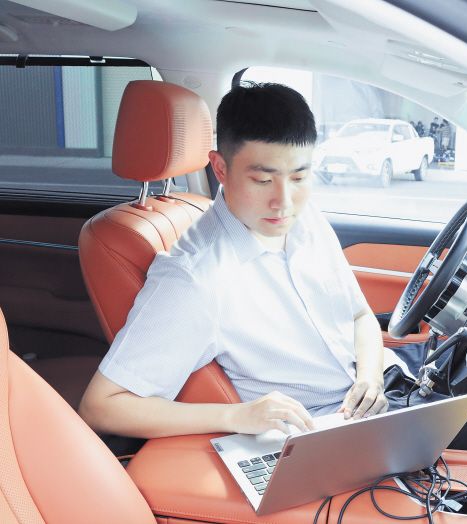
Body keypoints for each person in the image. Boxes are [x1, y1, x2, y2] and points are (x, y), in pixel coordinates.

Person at [79, 82, 392, 439]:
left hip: (385, 389)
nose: (285, 202)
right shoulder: (196, 278)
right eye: (262, 180)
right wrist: (237, 416)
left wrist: (370, 377)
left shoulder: (305, 219)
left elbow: (360, 315)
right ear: (220, 169)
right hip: (325, 429)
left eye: (300, 177)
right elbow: (100, 405)